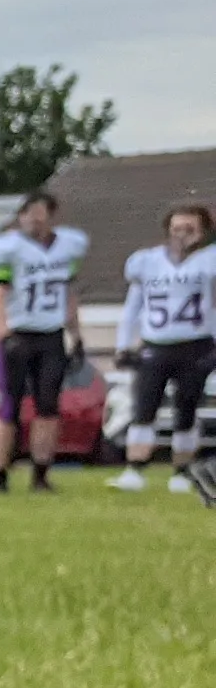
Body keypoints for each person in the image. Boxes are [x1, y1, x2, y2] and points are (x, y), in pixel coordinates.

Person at [0, 190, 88, 494]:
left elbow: (69, 293)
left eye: (39, 212)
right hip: (18, 335)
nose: (33, 219)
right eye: (27, 213)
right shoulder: (7, 248)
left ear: (51, 215)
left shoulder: (67, 246)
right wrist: (3, 333)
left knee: (48, 408)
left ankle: (40, 476)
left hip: (50, 334)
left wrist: (75, 334)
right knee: (8, 407)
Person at [113, 200, 214, 498]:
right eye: (176, 228)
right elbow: (132, 307)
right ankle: (134, 469)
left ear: (203, 232)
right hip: (155, 343)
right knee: (144, 408)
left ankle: (182, 472)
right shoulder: (146, 261)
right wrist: (122, 344)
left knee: (186, 410)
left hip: (196, 344)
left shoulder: (210, 259)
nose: (182, 234)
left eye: (189, 228)